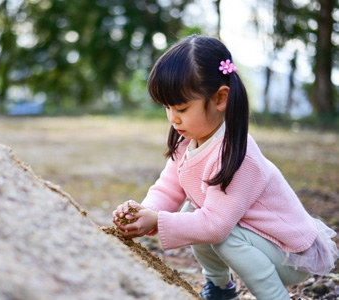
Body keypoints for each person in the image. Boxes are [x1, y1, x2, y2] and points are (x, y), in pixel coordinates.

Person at [112, 35, 339, 300]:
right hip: (254, 237)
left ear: (220, 98)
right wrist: (146, 211)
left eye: (182, 108)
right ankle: (221, 288)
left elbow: (215, 226)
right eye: (167, 107)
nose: (173, 118)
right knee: (194, 213)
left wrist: (159, 222)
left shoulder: (237, 155)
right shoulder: (189, 141)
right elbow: (168, 186)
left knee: (217, 231)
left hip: (287, 252)